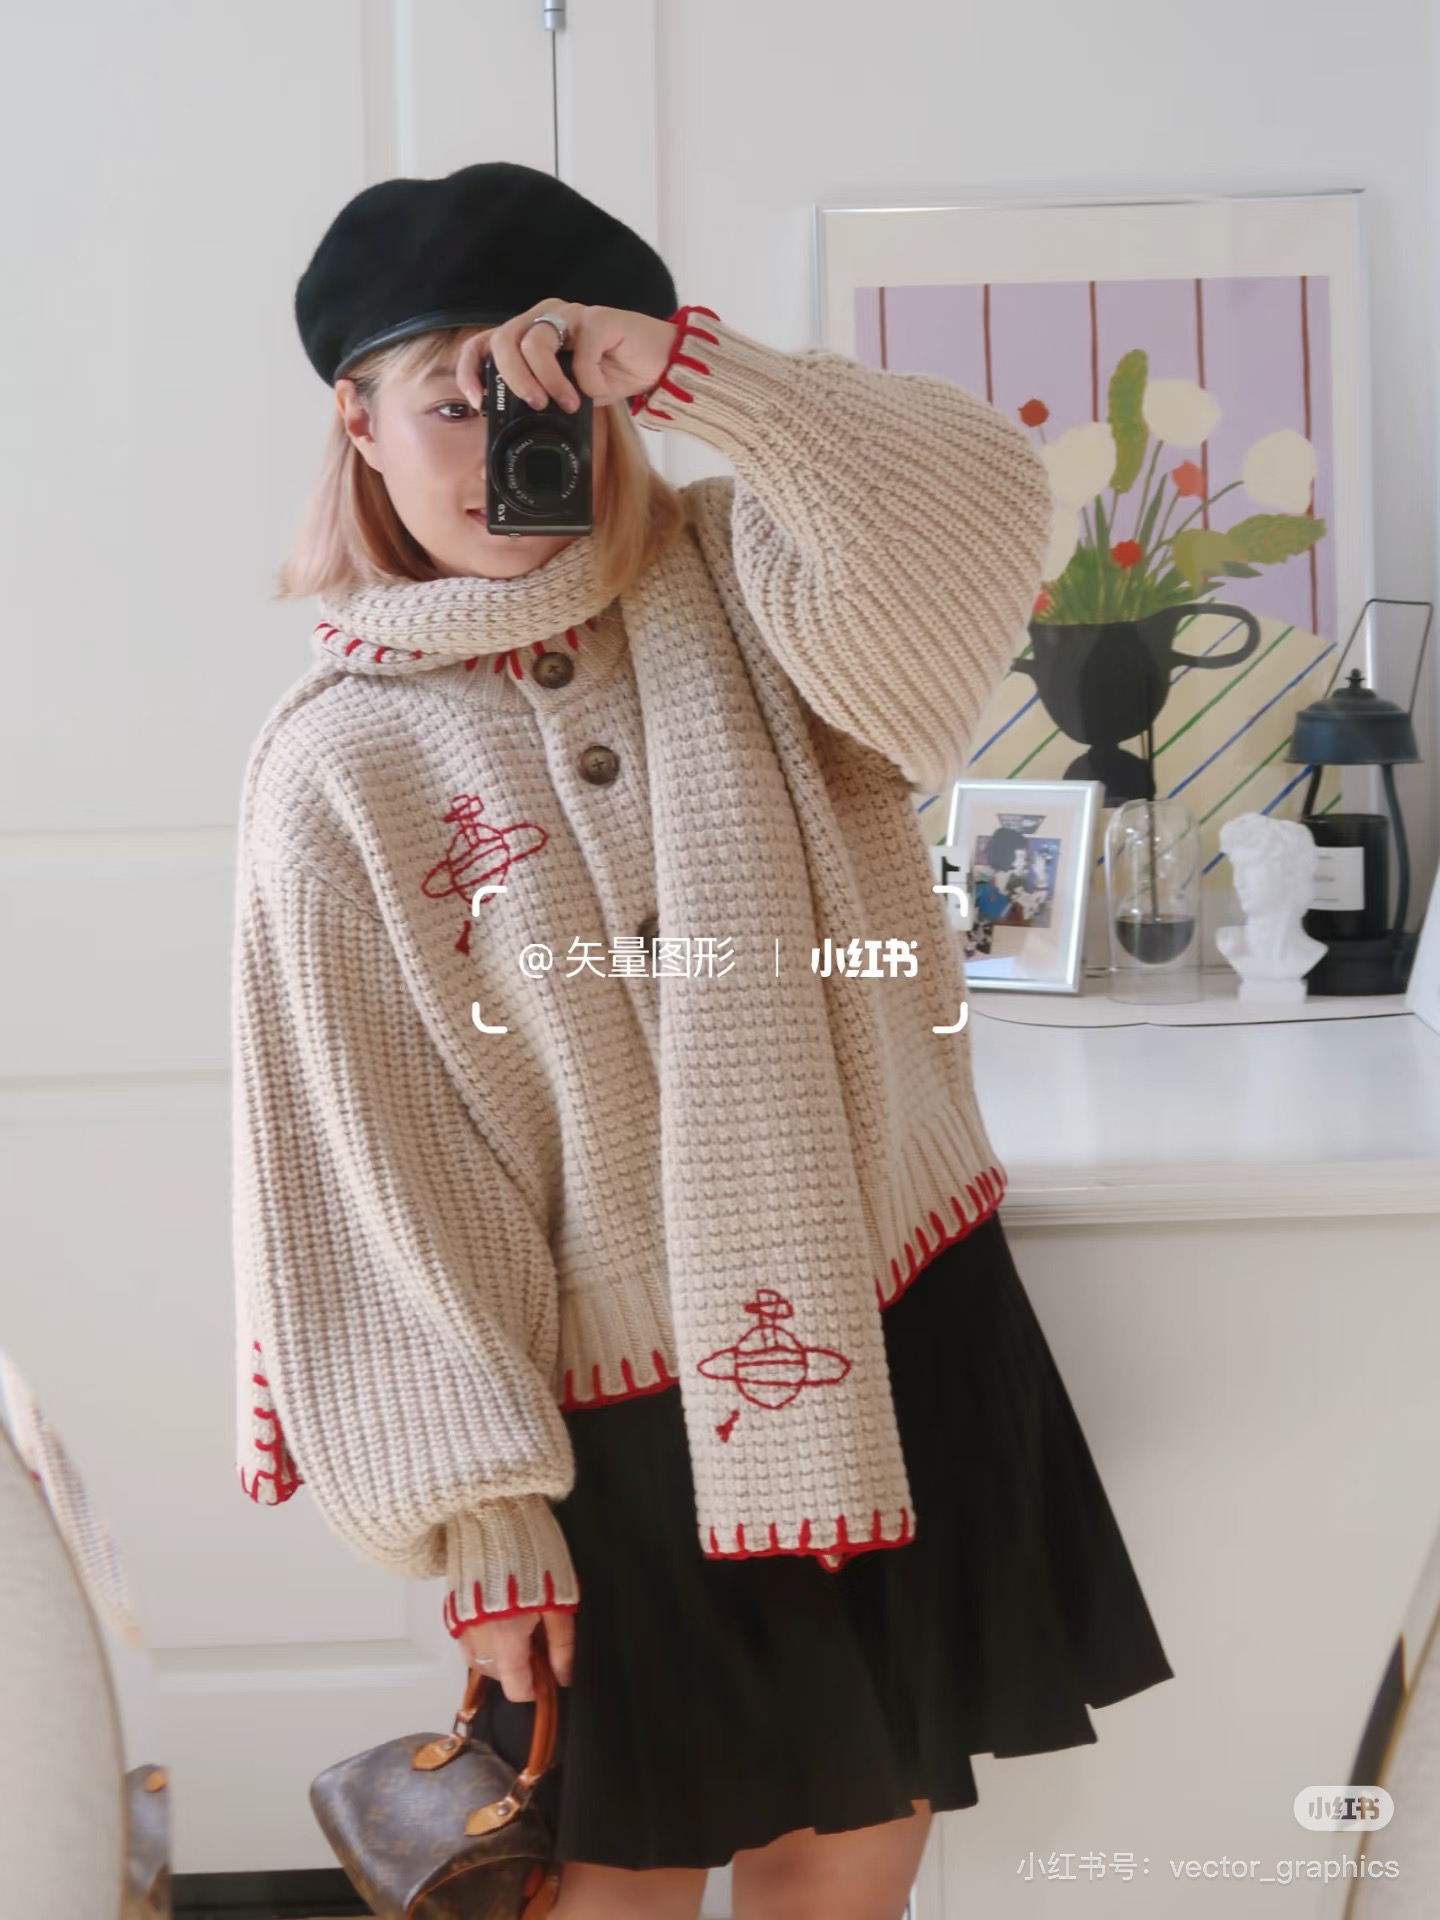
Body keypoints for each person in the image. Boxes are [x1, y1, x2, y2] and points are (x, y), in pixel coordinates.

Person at [232, 159, 1174, 1920]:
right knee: (619, 1881)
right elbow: (372, 1178)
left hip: (886, 1315)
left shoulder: (751, 585)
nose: (507, 446)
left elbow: (985, 499)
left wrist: (688, 370)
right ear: (356, 420)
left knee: (859, 1843)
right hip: (606, 1424)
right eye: (450, 402)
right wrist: (482, 1519)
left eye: (547, 396)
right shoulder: (338, 762)